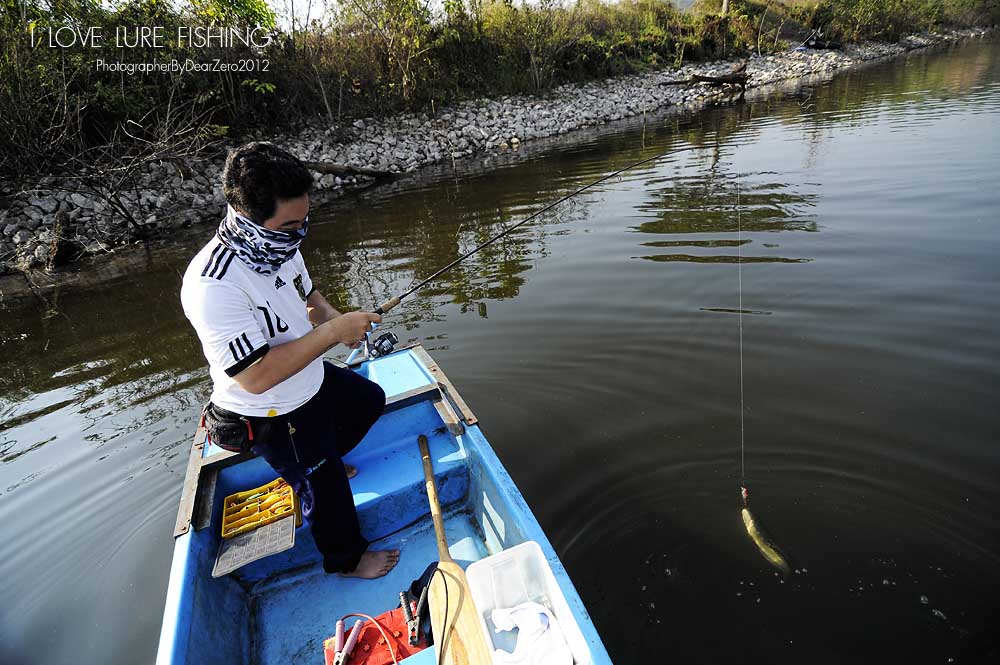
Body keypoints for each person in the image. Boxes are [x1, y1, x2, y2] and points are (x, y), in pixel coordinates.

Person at [180, 142, 400, 579]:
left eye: (304, 221)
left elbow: (311, 301)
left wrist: (345, 325)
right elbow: (256, 378)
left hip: (308, 380)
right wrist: (333, 333)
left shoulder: (280, 246)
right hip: (269, 409)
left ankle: (310, 468)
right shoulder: (213, 285)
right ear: (246, 216)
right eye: (289, 225)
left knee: (368, 400)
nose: (300, 234)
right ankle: (346, 560)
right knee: (328, 486)